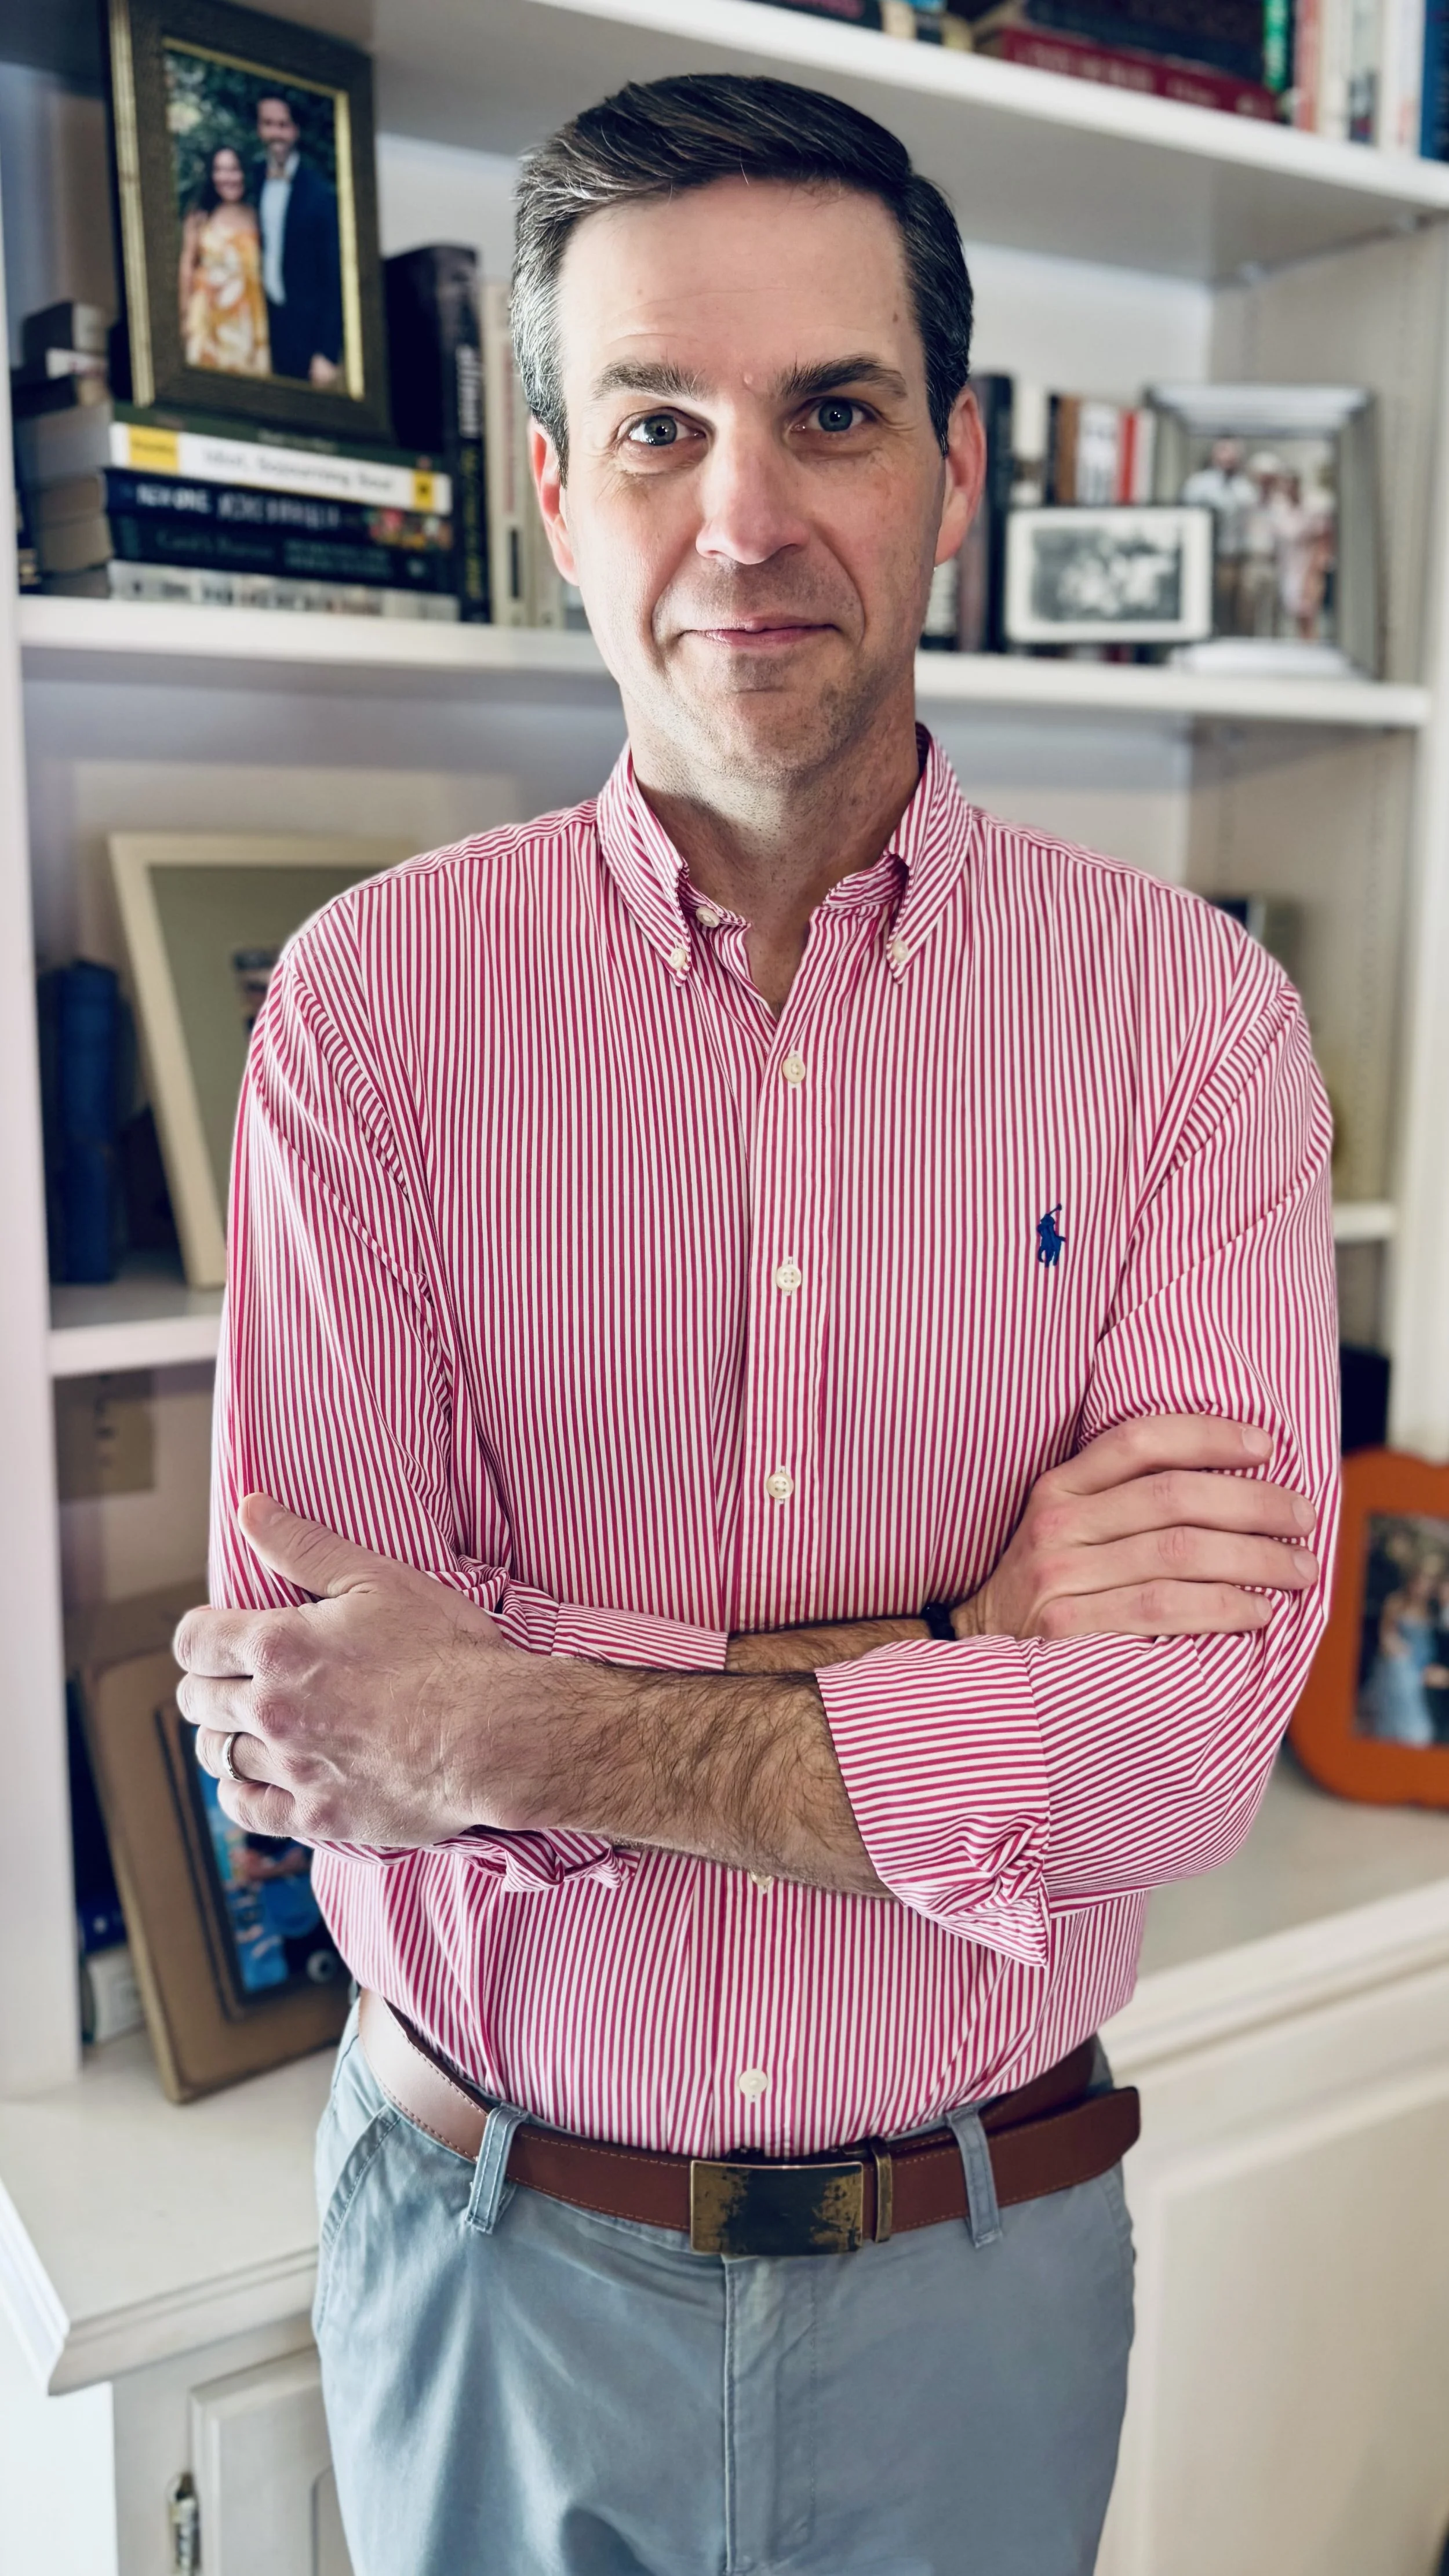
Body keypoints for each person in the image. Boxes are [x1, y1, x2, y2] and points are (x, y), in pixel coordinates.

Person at [173, 73, 1338, 2576]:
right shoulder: (374, 1010)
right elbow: (332, 1714)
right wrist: (955, 1648)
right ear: (555, 480)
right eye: (660, 421)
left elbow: (1174, 1757)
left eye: (834, 410)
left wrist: (518, 1706)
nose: (747, 514)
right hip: (494, 2253)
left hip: (982, 2267)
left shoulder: (1186, 1028)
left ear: (956, 462)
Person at [252, 91, 342, 387]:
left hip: (304, 332)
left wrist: (327, 351)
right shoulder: (249, 182)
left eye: (283, 124)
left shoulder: (320, 194)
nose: (276, 132)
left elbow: (335, 276)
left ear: (295, 130)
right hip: (258, 322)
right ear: (259, 129)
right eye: (269, 124)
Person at [178, 144, 270, 378]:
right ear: (212, 175)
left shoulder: (258, 215)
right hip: (207, 320)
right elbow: (188, 266)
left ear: (243, 174)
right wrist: (184, 316)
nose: (227, 178)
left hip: (248, 322)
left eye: (233, 170)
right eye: (220, 170)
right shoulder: (200, 216)